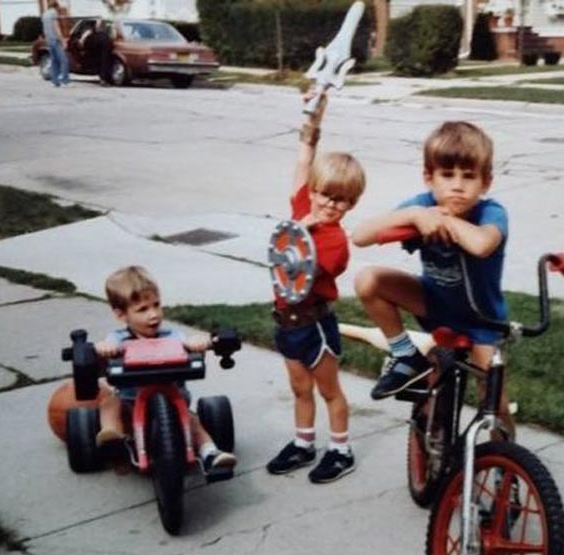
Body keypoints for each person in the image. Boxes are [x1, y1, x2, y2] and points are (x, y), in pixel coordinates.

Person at [351, 121, 514, 432]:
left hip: (482, 321)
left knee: (494, 401)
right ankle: (405, 355)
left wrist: (447, 220)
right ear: (429, 177)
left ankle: (504, 464)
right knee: (367, 279)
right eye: (447, 175)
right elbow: (359, 236)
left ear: (486, 182)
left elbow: (482, 245)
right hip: (434, 305)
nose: (457, 186)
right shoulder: (422, 206)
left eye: (469, 177)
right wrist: (414, 216)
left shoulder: (491, 213)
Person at [264, 88, 366, 484]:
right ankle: (303, 443)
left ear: (351, 204)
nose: (329, 204)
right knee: (299, 388)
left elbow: (305, 273)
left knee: (329, 391)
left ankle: (341, 449)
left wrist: (300, 232)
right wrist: (313, 121)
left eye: (341, 200)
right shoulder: (301, 210)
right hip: (286, 323)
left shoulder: (336, 242)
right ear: (313, 191)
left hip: (314, 325)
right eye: (324, 194)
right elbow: (304, 156)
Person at [94, 265, 237, 473]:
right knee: (109, 402)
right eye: (142, 309)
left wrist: (197, 343)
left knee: (192, 420)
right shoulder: (117, 340)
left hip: (173, 400)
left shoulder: (172, 336)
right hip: (130, 402)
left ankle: (209, 452)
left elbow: (189, 347)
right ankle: (112, 435)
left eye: (156, 305)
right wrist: (103, 349)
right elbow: (103, 356)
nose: (153, 314)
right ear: (121, 315)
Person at [41, 0, 69, 87]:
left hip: (49, 40)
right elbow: (56, 28)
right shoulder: (54, 13)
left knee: (54, 61)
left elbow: (45, 29)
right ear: (56, 6)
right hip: (56, 40)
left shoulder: (44, 14)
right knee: (64, 60)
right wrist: (63, 40)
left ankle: (55, 81)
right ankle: (64, 80)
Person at [81, 18, 114, 85]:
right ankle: (104, 79)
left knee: (102, 61)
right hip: (104, 43)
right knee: (104, 61)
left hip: (98, 44)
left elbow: (84, 42)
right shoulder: (105, 34)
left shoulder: (91, 33)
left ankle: (103, 78)